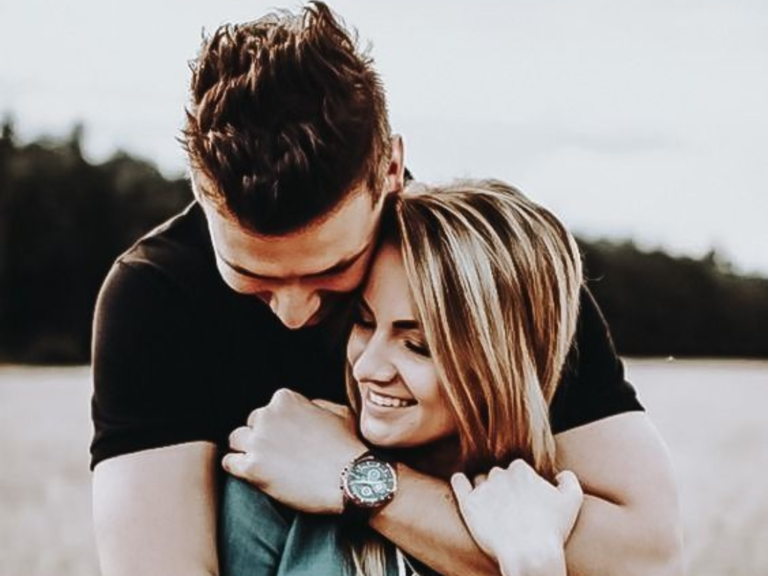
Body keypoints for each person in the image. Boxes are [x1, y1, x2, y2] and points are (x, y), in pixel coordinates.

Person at [89, 3, 683, 576]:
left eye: (333, 270)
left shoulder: (490, 272)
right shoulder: (155, 299)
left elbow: (647, 559)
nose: (294, 313)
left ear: (391, 170)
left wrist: (359, 477)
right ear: (199, 188)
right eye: (254, 275)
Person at [220, 179, 591, 576]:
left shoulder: (565, 518)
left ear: (501, 366)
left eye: (417, 345)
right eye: (364, 322)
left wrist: (534, 565)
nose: (366, 368)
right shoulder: (279, 474)